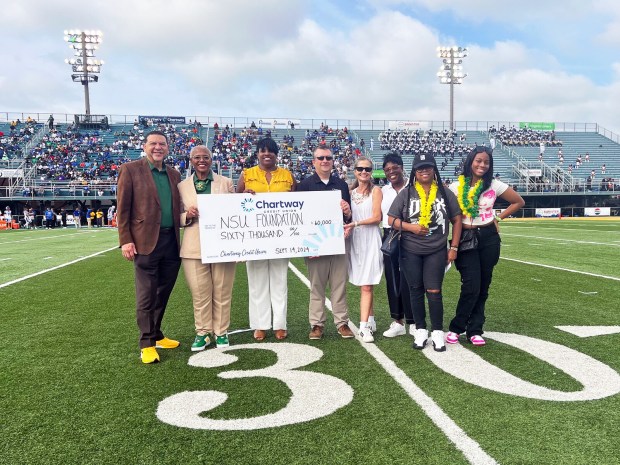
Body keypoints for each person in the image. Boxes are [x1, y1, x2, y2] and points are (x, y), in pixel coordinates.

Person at [446, 146, 524, 346]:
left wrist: (498, 217)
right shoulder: (455, 187)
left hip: (488, 236)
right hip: (465, 237)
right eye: (478, 161)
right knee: (471, 285)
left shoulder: (494, 185)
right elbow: (448, 214)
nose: (482, 165)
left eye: (486, 162)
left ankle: (475, 330)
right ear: (471, 161)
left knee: (483, 286)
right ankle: (457, 327)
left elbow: (518, 202)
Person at [117, 130, 182, 364]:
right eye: (153, 143)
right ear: (144, 146)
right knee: (146, 295)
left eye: (162, 144)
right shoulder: (130, 169)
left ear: (167, 147)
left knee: (163, 292)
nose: (158, 147)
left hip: (172, 242)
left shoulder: (174, 175)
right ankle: (146, 343)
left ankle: (156, 333)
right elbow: (122, 208)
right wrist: (125, 239)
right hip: (145, 242)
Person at [388, 153, 462, 352]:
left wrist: (453, 247)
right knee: (415, 289)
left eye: (428, 167)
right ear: (414, 171)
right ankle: (420, 329)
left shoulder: (445, 193)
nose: (424, 171)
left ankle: (437, 331)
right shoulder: (406, 193)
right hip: (410, 249)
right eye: (420, 168)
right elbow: (391, 220)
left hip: (436, 249)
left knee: (434, 290)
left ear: (434, 169)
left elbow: (457, 220)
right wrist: (412, 228)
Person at [236, 137, 296, 341]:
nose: (267, 154)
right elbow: (236, 203)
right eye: (263, 151)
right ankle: (260, 325)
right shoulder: (247, 174)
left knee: (280, 282)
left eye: (271, 151)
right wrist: (243, 194)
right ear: (257, 153)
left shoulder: (287, 175)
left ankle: (280, 324)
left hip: (281, 238)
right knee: (257, 283)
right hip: (255, 239)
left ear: (276, 154)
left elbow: (297, 202)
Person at [179, 146, 237, 351]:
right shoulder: (182, 186)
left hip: (223, 246)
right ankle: (203, 332)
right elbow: (175, 216)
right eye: (197, 158)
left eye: (205, 157)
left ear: (212, 160)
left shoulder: (226, 183)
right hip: (193, 248)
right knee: (200, 293)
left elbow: (236, 212)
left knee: (222, 291)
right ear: (191, 161)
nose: (201, 160)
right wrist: (188, 216)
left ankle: (221, 332)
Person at [297, 145, 355, 340]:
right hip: (315, 243)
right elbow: (300, 217)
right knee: (317, 285)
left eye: (328, 158)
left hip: (337, 240)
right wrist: (306, 243)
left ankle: (342, 322)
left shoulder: (341, 185)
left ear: (332, 161)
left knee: (339, 284)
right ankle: (317, 324)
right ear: (314, 161)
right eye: (320, 158)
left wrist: (347, 213)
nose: (324, 161)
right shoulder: (304, 185)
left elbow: (347, 216)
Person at [343, 157, 383, 343]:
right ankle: (372, 320)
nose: (364, 172)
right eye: (360, 168)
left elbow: (376, 217)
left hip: (370, 238)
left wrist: (355, 222)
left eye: (367, 169)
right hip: (355, 240)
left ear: (371, 171)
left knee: (367, 284)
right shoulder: (350, 192)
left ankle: (363, 327)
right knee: (364, 283)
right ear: (355, 171)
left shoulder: (376, 191)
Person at [380, 153, 415, 338]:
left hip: (411, 235)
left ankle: (414, 321)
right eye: (387, 170)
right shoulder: (383, 191)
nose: (391, 172)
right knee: (393, 279)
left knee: (411, 279)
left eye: (394, 168)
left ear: (402, 167)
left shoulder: (414, 187)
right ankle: (397, 321)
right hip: (390, 236)